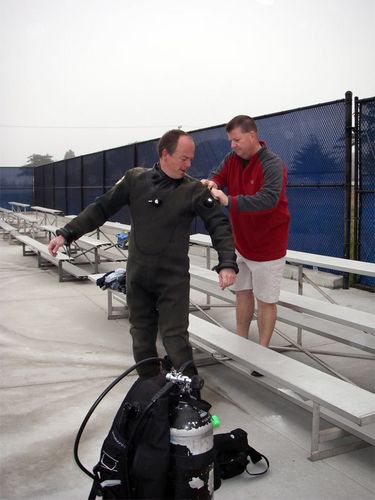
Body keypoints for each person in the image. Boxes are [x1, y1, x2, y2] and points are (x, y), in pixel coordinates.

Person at [48, 129, 238, 378]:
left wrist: (226, 263)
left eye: (191, 158)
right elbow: (101, 208)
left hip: (173, 280)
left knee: (175, 338)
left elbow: (219, 226)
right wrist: (66, 233)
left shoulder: (194, 190)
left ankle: (189, 394)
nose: (189, 164)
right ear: (165, 154)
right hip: (138, 276)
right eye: (183, 158)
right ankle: (150, 386)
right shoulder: (134, 180)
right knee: (141, 335)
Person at [201, 115, 290, 354]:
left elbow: (268, 199)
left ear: (252, 136)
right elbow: (218, 175)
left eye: (236, 140)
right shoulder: (233, 159)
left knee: (266, 301)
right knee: (242, 294)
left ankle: (262, 352)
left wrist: (228, 200)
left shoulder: (272, 163)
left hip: (268, 246)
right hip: (242, 242)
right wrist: (212, 184)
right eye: (230, 140)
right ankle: (240, 344)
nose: (232, 145)